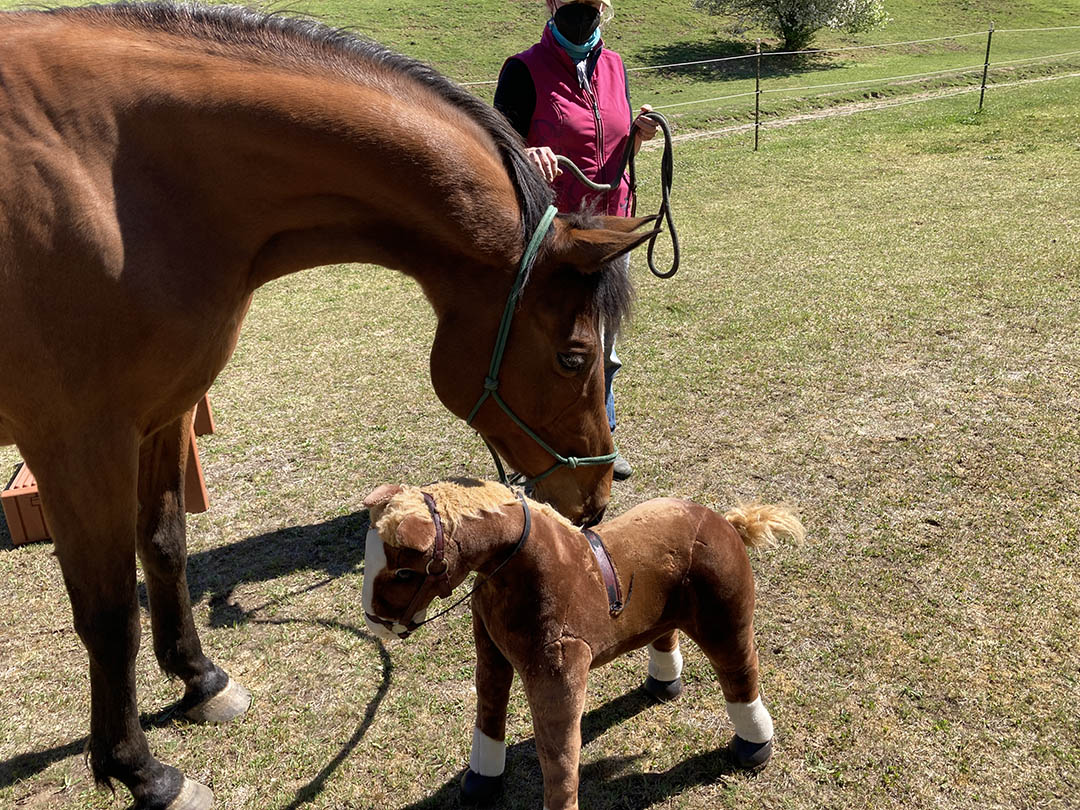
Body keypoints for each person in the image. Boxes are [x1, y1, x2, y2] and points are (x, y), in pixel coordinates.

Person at [494, 0, 656, 481]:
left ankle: (600, 433)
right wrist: (527, 154)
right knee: (549, 346)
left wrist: (640, 135)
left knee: (602, 346)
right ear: (551, 3)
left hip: (609, 229)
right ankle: (530, 445)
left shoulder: (614, 65)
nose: (580, 5)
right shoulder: (522, 69)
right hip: (555, 233)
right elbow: (496, 148)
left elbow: (614, 140)